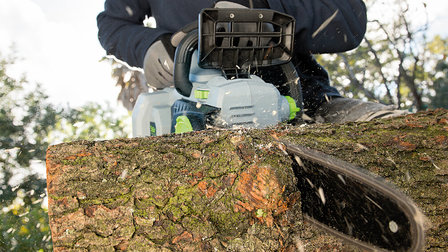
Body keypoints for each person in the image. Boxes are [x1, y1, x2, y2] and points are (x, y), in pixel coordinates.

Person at [97, 0, 406, 123]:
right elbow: (112, 25)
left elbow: (348, 18)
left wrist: (266, 12)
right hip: (193, 111)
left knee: (387, 131)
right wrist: (148, 45)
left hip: (306, 101)